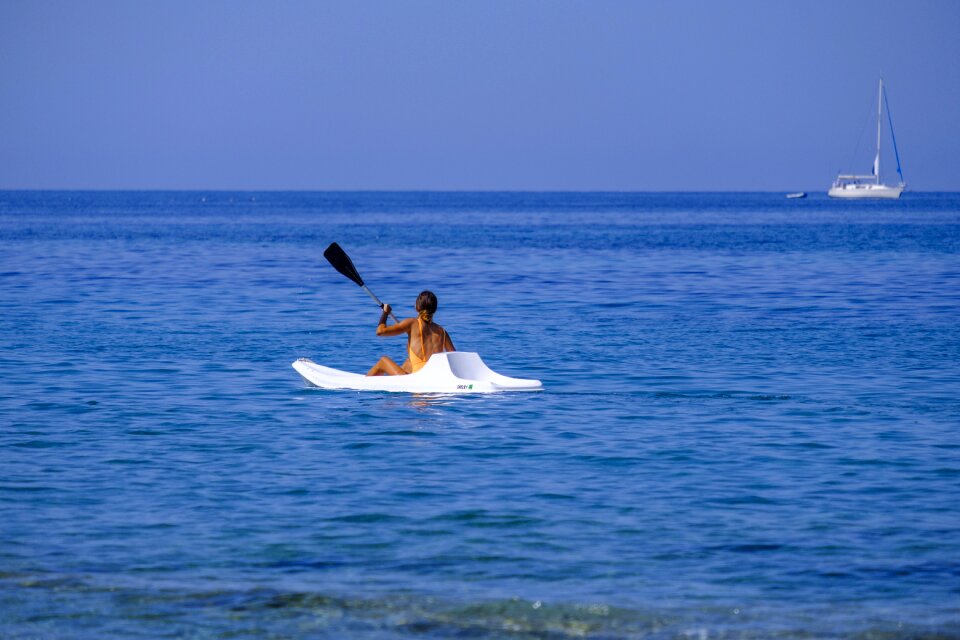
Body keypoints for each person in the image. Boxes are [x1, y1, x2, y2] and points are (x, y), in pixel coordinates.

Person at [366, 290, 456, 376]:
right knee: (408, 362)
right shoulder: (442, 331)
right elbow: (456, 358)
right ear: (435, 310)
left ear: (417, 307)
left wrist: (385, 313)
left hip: (418, 378)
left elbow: (380, 331)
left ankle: (363, 384)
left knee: (383, 361)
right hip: (434, 376)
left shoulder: (412, 323)